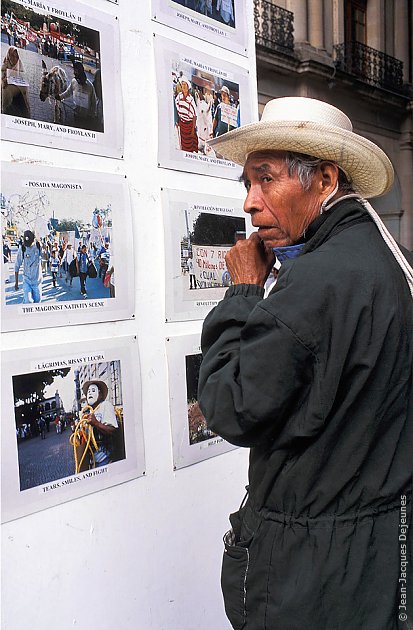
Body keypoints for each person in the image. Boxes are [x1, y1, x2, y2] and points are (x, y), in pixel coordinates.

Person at [198, 97, 413, 629]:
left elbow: (230, 407)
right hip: (378, 552)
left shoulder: (317, 279)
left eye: (266, 180)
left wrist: (244, 291)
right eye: (247, 184)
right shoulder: (380, 257)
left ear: (323, 180)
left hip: (315, 572)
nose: (251, 203)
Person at [81, 380, 119, 467]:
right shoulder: (89, 411)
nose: (90, 393)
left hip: (105, 459)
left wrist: (96, 423)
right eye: (88, 392)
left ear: (100, 394)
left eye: (93, 391)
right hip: (93, 461)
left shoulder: (106, 405)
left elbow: (113, 431)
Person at [56, 61, 97, 129]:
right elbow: (68, 92)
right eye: (74, 71)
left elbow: (94, 102)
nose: (74, 73)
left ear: (81, 72)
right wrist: (60, 97)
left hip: (87, 118)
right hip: (76, 114)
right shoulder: (74, 81)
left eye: (76, 71)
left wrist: (92, 115)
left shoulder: (90, 86)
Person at [1, 46, 31, 117]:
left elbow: (23, 77)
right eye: (12, 56)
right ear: (9, 55)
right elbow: (3, 81)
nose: (14, 59)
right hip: (9, 93)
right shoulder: (5, 65)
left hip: (20, 92)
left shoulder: (20, 64)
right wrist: (6, 79)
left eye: (17, 57)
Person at [14, 230, 43, 304]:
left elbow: (46, 257)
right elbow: (17, 265)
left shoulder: (38, 247)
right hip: (27, 281)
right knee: (28, 301)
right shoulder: (22, 249)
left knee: (37, 302)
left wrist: (45, 246)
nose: (27, 245)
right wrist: (16, 283)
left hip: (37, 282)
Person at [175, 76, 198, 153]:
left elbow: (194, 115)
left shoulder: (191, 99)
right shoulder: (178, 97)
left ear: (188, 86)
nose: (184, 86)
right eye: (182, 84)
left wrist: (192, 130)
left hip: (190, 125)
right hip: (182, 125)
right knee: (183, 145)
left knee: (192, 145)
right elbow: (177, 110)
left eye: (185, 85)